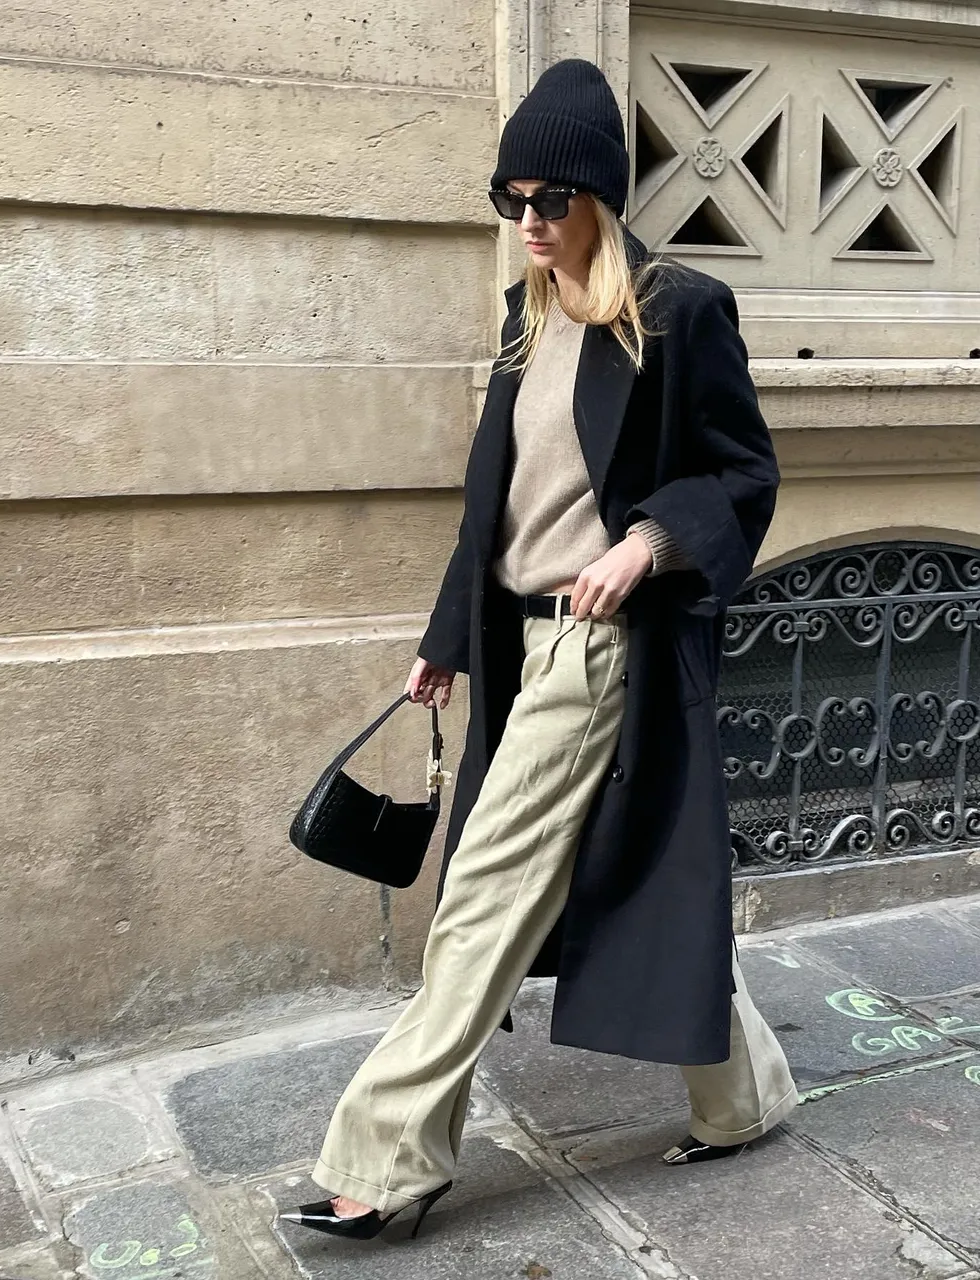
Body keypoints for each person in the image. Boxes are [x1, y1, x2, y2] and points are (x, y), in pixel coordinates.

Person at [282, 58, 797, 1242]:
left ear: (600, 199)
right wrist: (443, 639)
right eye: (511, 199)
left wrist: (649, 542)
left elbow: (744, 472)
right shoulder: (527, 316)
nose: (528, 222)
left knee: (481, 899)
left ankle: (386, 1158)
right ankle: (747, 1096)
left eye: (551, 200)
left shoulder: (677, 310)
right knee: (644, 892)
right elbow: (497, 507)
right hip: (513, 647)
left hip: (597, 647)